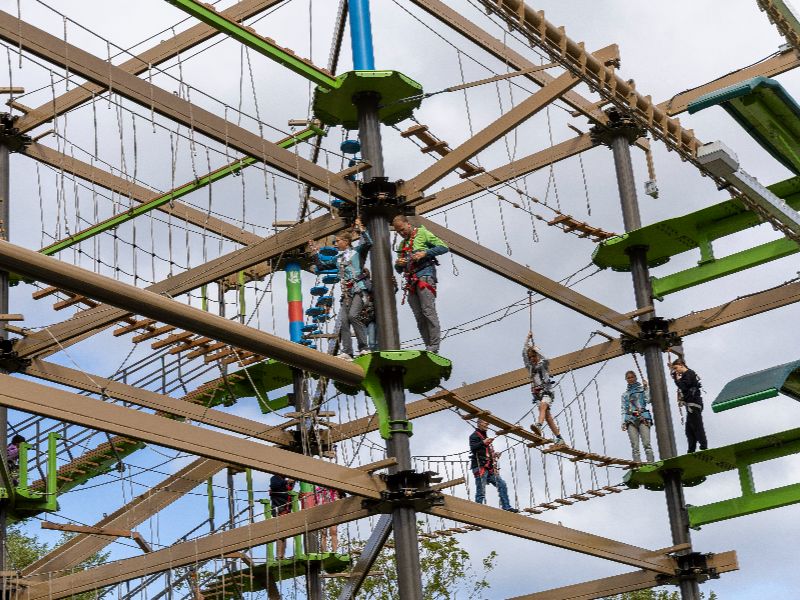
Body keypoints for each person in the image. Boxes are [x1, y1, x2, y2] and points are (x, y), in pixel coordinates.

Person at [309, 218, 372, 359]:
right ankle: (347, 352)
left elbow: (369, 243)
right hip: (347, 293)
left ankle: (364, 347)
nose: (336, 244)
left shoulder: (357, 252)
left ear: (346, 241)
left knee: (353, 316)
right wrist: (315, 252)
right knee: (344, 320)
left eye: (337, 241)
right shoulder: (338, 259)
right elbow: (321, 266)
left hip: (358, 289)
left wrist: (361, 229)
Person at [392, 215, 449, 354]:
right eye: (398, 232)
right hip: (411, 281)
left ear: (408, 224)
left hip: (425, 276)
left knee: (428, 311)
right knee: (419, 316)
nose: (401, 233)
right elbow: (399, 269)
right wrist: (398, 264)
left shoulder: (422, 233)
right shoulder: (402, 245)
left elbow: (444, 247)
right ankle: (429, 346)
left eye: (402, 229)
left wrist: (425, 253)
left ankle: (434, 346)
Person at [523, 333, 565, 444]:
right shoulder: (530, 367)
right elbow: (524, 354)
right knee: (548, 417)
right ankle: (559, 438)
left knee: (543, 406)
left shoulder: (543, 364)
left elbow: (545, 359)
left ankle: (538, 425)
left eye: (534, 356)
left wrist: (536, 349)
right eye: (530, 357)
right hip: (537, 394)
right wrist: (527, 340)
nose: (532, 359)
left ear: (537, 356)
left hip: (547, 391)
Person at [469, 419, 518, 512]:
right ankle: (477, 509)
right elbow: (473, 448)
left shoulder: (484, 436)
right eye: (485, 423)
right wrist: (483, 442)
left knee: (502, 484)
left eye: (487, 424)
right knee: (481, 490)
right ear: (479, 424)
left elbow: (485, 452)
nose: (487, 425)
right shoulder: (474, 436)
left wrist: (494, 454)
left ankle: (506, 507)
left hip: (489, 468)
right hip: (480, 466)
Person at [670, 358, 708, 453]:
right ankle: (691, 449)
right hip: (691, 403)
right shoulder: (686, 375)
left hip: (693, 403)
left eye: (676, 368)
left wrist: (676, 379)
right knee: (689, 430)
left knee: (697, 425)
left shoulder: (689, 373)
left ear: (681, 365)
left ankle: (703, 445)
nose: (676, 370)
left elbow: (683, 386)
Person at [621, 371, 654, 463]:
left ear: (635, 377)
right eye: (628, 378)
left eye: (632, 377)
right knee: (635, 446)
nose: (630, 379)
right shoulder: (625, 395)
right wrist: (623, 422)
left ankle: (651, 462)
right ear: (626, 379)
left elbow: (648, 400)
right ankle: (637, 465)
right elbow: (624, 409)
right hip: (630, 419)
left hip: (642, 417)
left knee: (647, 444)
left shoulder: (642, 390)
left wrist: (646, 388)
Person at [269, 474, 296, 560]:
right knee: (280, 533)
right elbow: (274, 485)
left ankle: (282, 555)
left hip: (286, 509)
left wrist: (292, 482)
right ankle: (278, 555)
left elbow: (289, 490)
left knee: (284, 534)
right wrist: (286, 481)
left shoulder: (283, 481)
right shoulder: (275, 478)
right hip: (279, 509)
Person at [314, 486, 342, 553]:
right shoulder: (318, 489)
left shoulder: (333, 489)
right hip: (322, 511)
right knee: (323, 533)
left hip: (332, 510)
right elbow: (316, 500)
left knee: (333, 531)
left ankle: (334, 551)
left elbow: (337, 497)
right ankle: (324, 551)